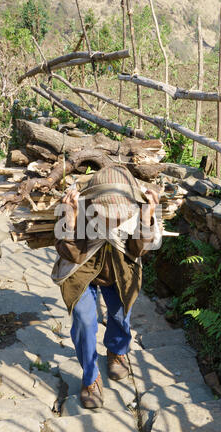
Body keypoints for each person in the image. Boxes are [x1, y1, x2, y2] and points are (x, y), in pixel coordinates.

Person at [52, 164, 162, 409]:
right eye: (107, 212)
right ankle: (90, 377)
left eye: (118, 213)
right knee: (84, 319)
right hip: (81, 270)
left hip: (120, 269)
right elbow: (67, 252)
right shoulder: (75, 204)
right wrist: (70, 220)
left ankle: (117, 349)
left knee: (121, 312)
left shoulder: (139, 206)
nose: (113, 219)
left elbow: (140, 250)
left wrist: (146, 217)